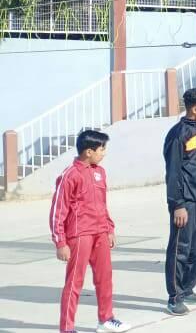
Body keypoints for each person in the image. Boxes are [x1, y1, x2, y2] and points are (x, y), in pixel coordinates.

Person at [52, 130, 131, 333]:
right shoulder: (70, 175)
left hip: (100, 233)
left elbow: (102, 204)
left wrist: (109, 228)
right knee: (74, 282)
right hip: (80, 235)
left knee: (105, 278)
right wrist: (60, 242)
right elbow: (58, 210)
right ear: (89, 151)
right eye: (101, 149)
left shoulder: (100, 172)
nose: (104, 153)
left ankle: (106, 319)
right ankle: (67, 327)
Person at [163, 88, 196, 316]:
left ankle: (187, 289)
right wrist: (178, 204)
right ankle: (174, 298)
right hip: (185, 202)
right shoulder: (177, 134)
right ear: (194, 109)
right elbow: (173, 172)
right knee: (180, 249)